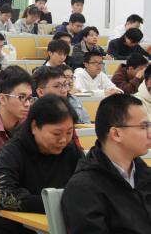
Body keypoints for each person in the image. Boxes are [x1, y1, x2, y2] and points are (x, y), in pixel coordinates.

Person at [0, 95, 83, 234]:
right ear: (34, 127)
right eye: (56, 133)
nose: (63, 140)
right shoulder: (12, 151)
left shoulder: (71, 151)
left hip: (53, 227)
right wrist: (55, 203)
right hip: (7, 229)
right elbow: (1, 196)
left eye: (69, 132)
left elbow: (88, 186)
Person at [62, 94, 151, 234]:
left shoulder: (145, 175)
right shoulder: (84, 187)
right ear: (116, 134)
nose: (149, 134)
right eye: (143, 127)